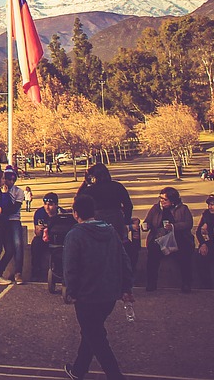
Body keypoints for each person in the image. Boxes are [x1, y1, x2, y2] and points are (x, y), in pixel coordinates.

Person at [61, 193, 133, 380]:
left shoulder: (75, 235)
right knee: (91, 332)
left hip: (86, 295)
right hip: (109, 293)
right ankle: (78, 370)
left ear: (76, 214)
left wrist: (71, 291)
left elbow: (70, 267)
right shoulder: (110, 231)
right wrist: (126, 287)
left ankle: (115, 375)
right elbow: (124, 260)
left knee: (96, 336)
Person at [78, 163, 135, 270]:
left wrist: (85, 183)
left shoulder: (90, 190)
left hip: (96, 222)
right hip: (116, 221)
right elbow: (128, 205)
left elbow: (78, 200)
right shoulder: (117, 186)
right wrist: (126, 222)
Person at [144, 186, 193, 292]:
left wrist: (174, 226)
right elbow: (148, 220)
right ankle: (151, 283)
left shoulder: (183, 209)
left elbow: (188, 224)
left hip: (179, 238)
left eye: (165, 199)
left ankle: (186, 283)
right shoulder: (156, 208)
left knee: (184, 255)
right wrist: (146, 225)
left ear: (172, 200)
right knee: (152, 253)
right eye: (160, 198)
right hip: (160, 238)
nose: (162, 201)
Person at [30, 192, 67, 283]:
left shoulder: (62, 213)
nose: (47, 207)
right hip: (44, 238)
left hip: (59, 239)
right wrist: (39, 230)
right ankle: (36, 271)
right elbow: (37, 232)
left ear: (56, 205)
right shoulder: (39, 213)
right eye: (45, 204)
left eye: (50, 205)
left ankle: (61, 273)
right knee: (36, 243)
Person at [3, 172, 27, 283]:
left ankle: (18, 272)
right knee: (0, 246)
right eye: (9, 179)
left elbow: (14, 209)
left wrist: (6, 195)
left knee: (18, 244)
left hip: (14, 220)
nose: (11, 182)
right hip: (3, 221)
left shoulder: (19, 192)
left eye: (14, 180)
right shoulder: (0, 190)